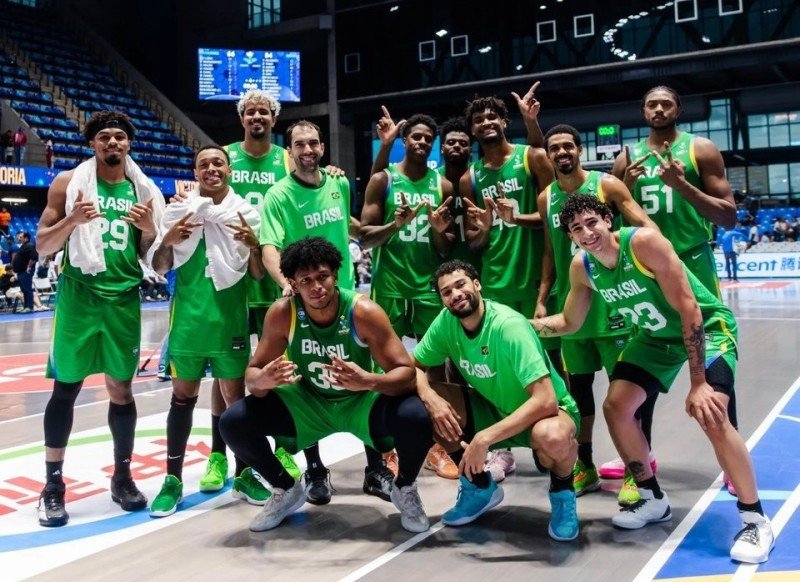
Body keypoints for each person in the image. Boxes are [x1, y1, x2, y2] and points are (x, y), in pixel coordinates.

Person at [532, 194, 774, 564]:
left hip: (706, 328)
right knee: (616, 407)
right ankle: (650, 496)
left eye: (591, 222)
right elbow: (570, 323)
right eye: (576, 229)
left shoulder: (643, 243)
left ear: (607, 220)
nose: (587, 233)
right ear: (570, 236)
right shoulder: (582, 267)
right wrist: (522, 326)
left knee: (711, 413)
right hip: (654, 337)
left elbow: (690, 308)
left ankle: (755, 518)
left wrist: (698, 384)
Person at [219, 237, 433, 534]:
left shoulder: (364, 312)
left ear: (335, 275)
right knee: (233, 421)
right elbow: (252, 376)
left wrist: (368, 380)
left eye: (323, 276)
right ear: (293, 283)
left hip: (360, 401)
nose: (316, 286)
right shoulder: (282, 313)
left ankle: (405, 488)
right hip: (308, 403)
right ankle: (285, 489)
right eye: (306, 280)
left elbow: (406, 374)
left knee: (417, 416)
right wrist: (263, 381)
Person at [35, 110, 165, 527]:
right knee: (66, 388)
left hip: (123, 297)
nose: (113, 143)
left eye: (120, 137)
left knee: (121, 390)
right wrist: (72, 219)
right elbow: (42, 246)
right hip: (80, 295)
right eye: (105, 137)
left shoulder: (143, 191)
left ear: (129, 144)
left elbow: (151, 256)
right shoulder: (67, 184)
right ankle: (52, 487)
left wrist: (148, 230)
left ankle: (122, 478)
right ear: (92, 144)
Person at [609, 85, 739, 491]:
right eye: (652, 103)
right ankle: (641, 454)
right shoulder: (626, 158)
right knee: (642, 359)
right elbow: (610, 221)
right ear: (642, 110)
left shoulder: (700, 149)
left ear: (678, 109)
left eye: (666, 103)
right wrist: (622, 193)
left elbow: (729, 217)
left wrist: (682, 185)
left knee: (713, 354)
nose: (659, 108)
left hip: (692, 261)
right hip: (644, 269)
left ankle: (733, 454)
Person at [413, 259, 580, 541]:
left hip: (546, 414)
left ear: (477, 285)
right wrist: (430, 397)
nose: (455, 294)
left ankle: (563, 495)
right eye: (446, 292)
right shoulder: (445, 323)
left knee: (551, 436)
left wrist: (483, 439)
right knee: (423, 405)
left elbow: (546, 400)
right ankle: (479, 486)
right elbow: (414, 367)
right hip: (495, 409)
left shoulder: (508, 326)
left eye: (460, 284)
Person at [537, 124, 657, 500]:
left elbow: (645, 228)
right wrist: (543, 296)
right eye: (554, 148)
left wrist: (653, 271)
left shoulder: (607, 185)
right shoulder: (545, 198)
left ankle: (639, 470)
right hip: (571, 303)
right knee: (579, 392)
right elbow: (549, 251)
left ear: (579, 150)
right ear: (549, 155)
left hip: (613, 304)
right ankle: (584, 466)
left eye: (568, 146)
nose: (562, 153)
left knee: (629, 393)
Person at [148, 145, 267, 517]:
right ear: (195, 172)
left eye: (218, 163)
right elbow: (159, 265)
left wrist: (255, 247)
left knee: (235, 401)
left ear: (229, 169)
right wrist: (168, 239)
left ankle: (244, 473)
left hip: (229, 321)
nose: (211, 169)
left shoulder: (246, 214)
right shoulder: (179, 211)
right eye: (204, 165)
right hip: (188, 322)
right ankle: (172, 480)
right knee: (182, 400)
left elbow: (258, 274)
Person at [259, 119, 367, 504]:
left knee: (364, 378)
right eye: (299, 144)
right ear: (289, 151)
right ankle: (316, 470)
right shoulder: (277, 195)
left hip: (348, 301)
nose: (307, 150)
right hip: (304, 303)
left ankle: (377, 467)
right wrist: (284, 282)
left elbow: (351, 229)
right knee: (305, 384)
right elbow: (269, 246)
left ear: (323, 147)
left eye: (313, 143)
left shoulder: (338, 184)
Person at [461, 92, 557, 482]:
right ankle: (500, 449)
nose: (486, 122)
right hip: (495, 284)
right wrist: (482, 230)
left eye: (492, 116)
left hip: (535, 280)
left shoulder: (531, 158)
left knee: (549, 369)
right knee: (492, 372)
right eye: (478, 119)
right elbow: (473, 242)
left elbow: (555, 216)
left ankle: (552, 441)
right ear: (472, 130)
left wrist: (518, 219)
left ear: (504, 122)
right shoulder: (470, 177)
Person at [361, 113, 458, 482]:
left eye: (427, 138)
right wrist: (395, 225)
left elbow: (446, 248)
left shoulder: (444, 186)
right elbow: (366, 238)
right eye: (415, 137)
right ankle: (385, 451)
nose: (421, 142)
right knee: (382, 371)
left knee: (435, 371)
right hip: (389, 288)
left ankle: (435, 446)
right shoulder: (383, 180)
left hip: (428, 289)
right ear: (405, 141)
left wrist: (436, 231)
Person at [221, 89, 304, 489]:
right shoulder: (225, 155)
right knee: (229, 371)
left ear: (274, 119)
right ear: (242, 120)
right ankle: (224, 456)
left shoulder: (287, 159)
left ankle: (284, 446)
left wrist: (336, 171)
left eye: (264, 111)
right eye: (250, 111)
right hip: (234, 276)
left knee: (280, 367)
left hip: (276, 276)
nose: (257, 117)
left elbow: (311, 178)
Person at [11, 231, 36, 313]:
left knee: (27, 289)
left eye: (21, 237)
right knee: (24, 290)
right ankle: (26, 306)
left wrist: (29, 266)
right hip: (21, 272)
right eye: (19, 237)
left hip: (26, 272)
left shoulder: (30, 245)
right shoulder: (23, 246)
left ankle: (29, 307)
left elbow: (34, 257)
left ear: (26, 238)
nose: (19, 238)